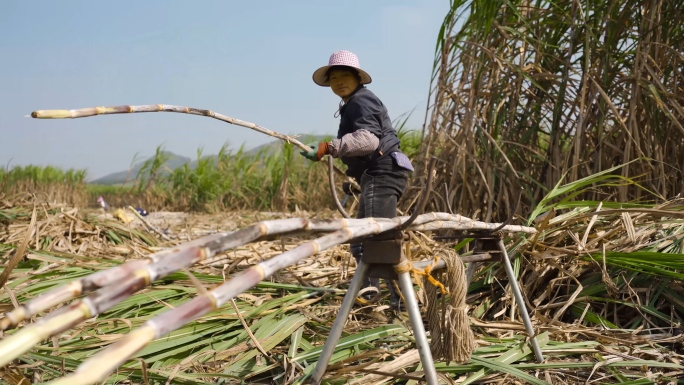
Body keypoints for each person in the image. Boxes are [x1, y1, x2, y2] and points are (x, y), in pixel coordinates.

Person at [300, 50, 414, 309]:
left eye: (345, 75)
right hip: (379, 175)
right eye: (334, 78)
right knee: (364, 242)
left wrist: (326, 148)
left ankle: (398, 305)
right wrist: (354, 178)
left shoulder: (360, 101)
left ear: (357, 78)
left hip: (382, 175)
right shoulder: (354, 103)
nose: (339, 81)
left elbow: (368, 140)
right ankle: (373, 294)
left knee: (374, 243)